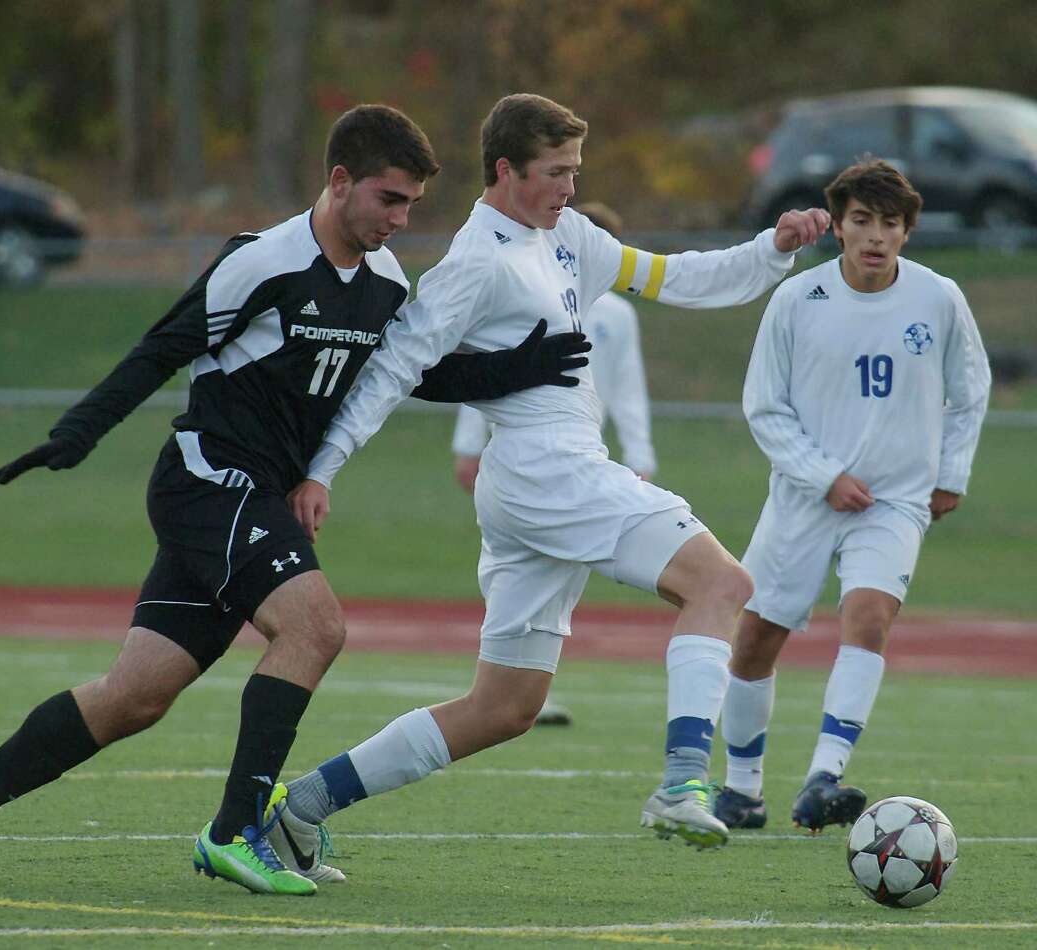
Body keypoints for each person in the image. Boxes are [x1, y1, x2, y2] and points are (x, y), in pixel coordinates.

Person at [0, 104, 591, 894]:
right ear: (339, 181)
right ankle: (236, 832)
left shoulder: (382, 282)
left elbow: (415, 374)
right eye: (389, 198)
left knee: (133, 698)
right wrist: (79, 433)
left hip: (256, 502)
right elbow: (165, 346)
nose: (400, 218)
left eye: (412, 204)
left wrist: (518, 365)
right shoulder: (263, 261)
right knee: (315, 628)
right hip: (209, 480)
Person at [271, 93, 829, 874]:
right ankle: (680, 784)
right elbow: (393, 368)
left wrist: (772, 249)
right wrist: (320, 471)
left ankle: (300, 808)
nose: (570, 186)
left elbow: (678, 278)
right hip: (545, 469)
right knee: (722, 583)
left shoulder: (568, 235)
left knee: (502, 709)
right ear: (505, 170)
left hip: (537, 480)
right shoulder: (476, 259)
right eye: (555, 172)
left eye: (576, 170)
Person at [715, 159, 991, 834]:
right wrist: (824, 475)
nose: (875, 236)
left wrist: (950, 473)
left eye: (889, 224)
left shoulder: (939, 298)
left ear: (907, 231)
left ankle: (822, 779)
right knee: (755, 639)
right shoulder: (796, 299)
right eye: (861, 221)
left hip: (896, 500)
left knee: (868, 617)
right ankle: (742, 789)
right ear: (836, 227)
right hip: (805, 498)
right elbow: (765, 407)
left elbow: (971, 388)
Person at [451, 200, 656, 727]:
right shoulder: (525, 288)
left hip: (586, 456)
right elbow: (485, 368)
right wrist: (468, 444)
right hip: (525, 454)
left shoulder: (617, 314)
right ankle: (509, 677)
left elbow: (628, 388)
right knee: (511, 568)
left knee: (568, 572)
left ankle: (531, 681)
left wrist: (640, 454)